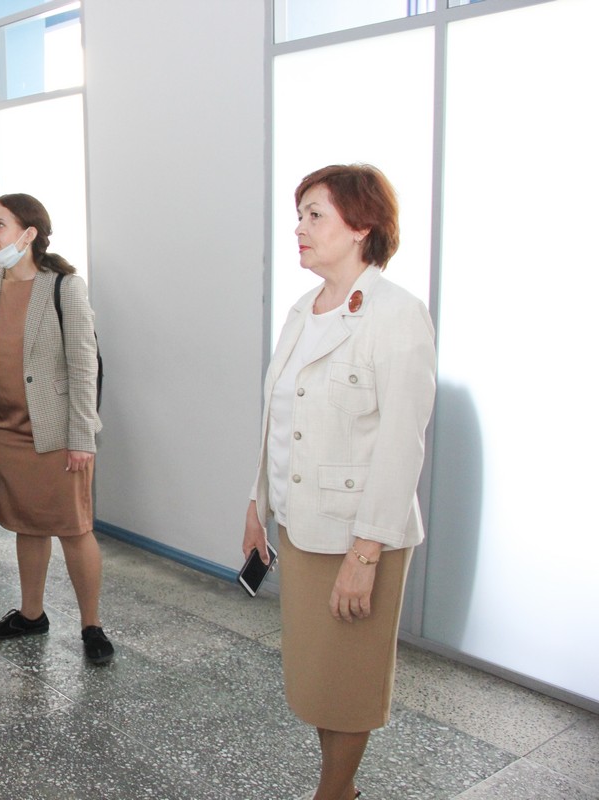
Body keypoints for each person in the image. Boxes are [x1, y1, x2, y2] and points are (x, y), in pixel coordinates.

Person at [243, 164, 436, 800]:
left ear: (361, 226)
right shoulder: (303, 310)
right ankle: (340, 789)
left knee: (349, 682)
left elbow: (402, 445)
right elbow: (280, 419)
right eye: (299, 215)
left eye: (314, 214)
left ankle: (334, 792)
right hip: (302, 526)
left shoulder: (396, 314)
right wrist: (258, 503)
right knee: (318, 678)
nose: (299, 228)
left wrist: (366, 552)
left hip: (359, 535)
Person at [0, 193, 113, 665]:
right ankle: (32, 615)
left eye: (0, 225)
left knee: (74, 528)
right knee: (27, 526)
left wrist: (82, 437)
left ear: (28, 234)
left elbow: (84, 367)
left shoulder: (64, 286)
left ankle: (91, 625)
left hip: (56, 433)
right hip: (6, 430)